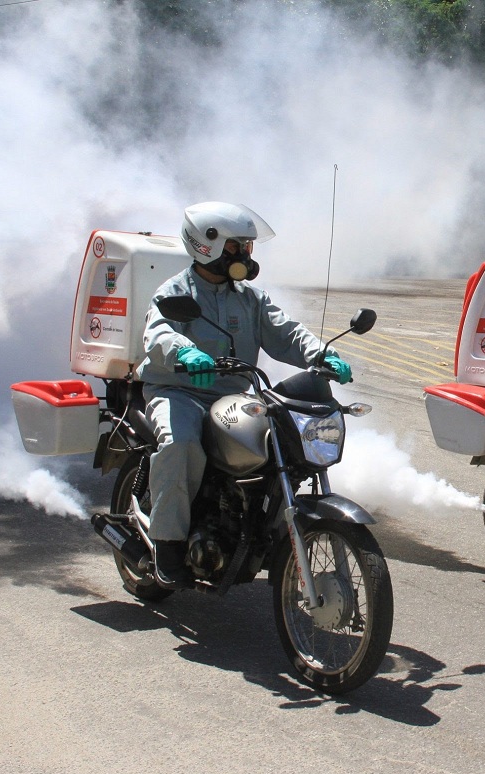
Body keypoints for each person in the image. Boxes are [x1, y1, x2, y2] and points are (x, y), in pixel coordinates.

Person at [137, 201, 352, 589]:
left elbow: (285, 331)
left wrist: (322, 354)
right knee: (181, 443)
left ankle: (253, 525)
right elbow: (158, 332)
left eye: (248, 247)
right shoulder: (175, 292)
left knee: (279, 443)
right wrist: (183, 351)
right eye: (238, 247)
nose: (246, 256)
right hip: (179, 391)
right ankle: (167, 545)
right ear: (207, 244)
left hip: (232, 397)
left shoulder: (249, 297)